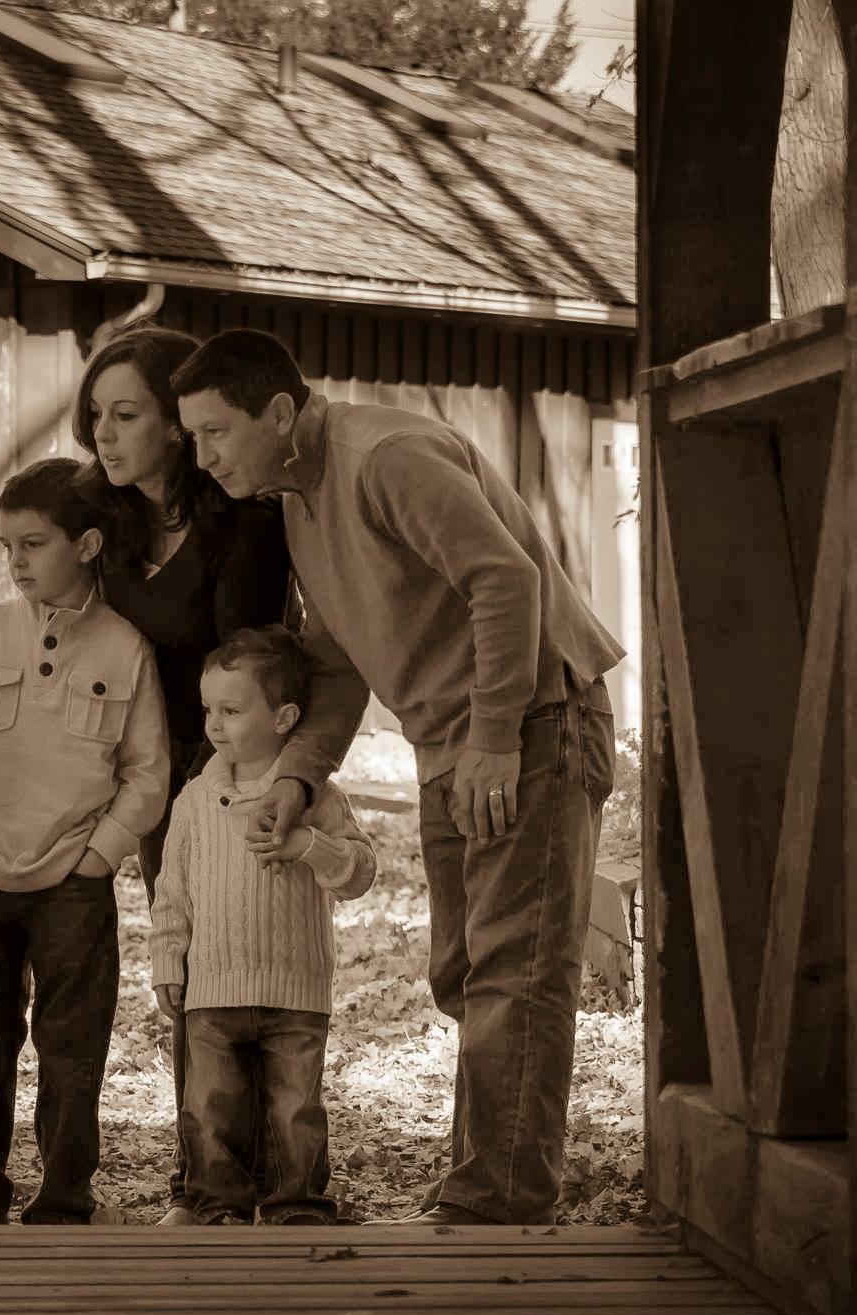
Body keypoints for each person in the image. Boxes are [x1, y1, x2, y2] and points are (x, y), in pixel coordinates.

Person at [171, 329, 623, 1227]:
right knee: (463, 970)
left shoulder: (385, 456)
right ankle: (486, 1182)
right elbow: (336, 661)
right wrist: (298, 776)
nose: (203, 455)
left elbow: (505, 579)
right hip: (451, 739)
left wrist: (495, 736)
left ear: (279, 412)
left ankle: (498, 1204)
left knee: (514, 970)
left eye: (214, 431)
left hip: (531, 722)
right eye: (192, 437)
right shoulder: (302, 500)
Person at [0, 326, 365, 1225]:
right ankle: (209, 1183)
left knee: (246, 963)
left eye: (126, 414)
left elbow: (266, 654)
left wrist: (262, 775)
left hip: (224, 768)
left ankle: (261, 1183)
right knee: (189, 973)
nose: (105, 433)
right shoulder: (109, 516)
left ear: (178, 423)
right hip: (125, 770)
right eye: (95, 415)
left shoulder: (246, 516)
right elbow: (45, 580)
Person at [0, 456, 171, 1224]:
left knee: (73, 1049)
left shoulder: (125, 646)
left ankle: (66, 1198)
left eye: (33, 544)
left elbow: (146, 771)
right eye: (6, 546)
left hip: (75, 879)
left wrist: (100, 853)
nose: (15, 561)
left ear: (90, 544)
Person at [150, 627, 376, 1226]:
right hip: (214, 989)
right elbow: (171, 892)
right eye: (208, 710)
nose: (215, 724)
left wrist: (307, 845)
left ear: (284, 717)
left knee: (294, 1109)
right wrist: (169, 963)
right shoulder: (196, 799)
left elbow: (360, 872)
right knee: (211, 1107)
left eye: (231, 709)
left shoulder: (315, 795)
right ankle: (217, 1204)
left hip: (294, 988)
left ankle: (296, 1206)